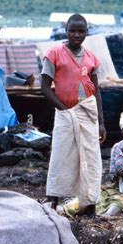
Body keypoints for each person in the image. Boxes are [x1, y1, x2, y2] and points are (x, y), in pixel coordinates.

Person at [41, 14, 106, 216]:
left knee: (91, 157)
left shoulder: (91, 57)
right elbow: (44, 86)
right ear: (66, 31)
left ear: (87, 32)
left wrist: (101, 123)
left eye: (81, 31)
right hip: (64, 112)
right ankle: (53, 202)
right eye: (73, 30)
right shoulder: (54, 54)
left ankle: (90, 204)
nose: (77, 35)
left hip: (88, 111)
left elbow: (96, 91)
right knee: (61, 155)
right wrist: (63, 109)